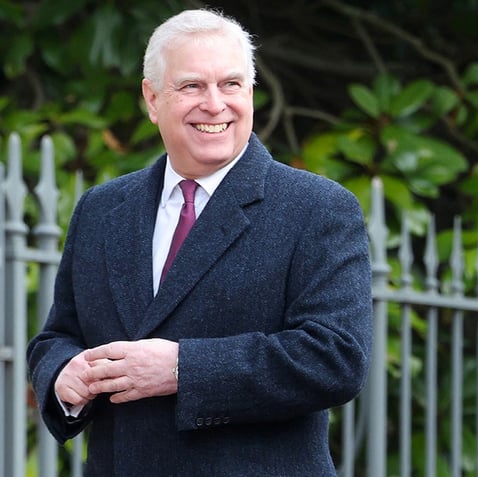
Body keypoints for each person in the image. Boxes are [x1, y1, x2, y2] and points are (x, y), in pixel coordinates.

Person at [27, 8, 372, 476]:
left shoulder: (317, 208)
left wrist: (183, 368)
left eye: (230, 84)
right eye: (192, 86)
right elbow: (58, 335)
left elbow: (336, 357)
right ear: (152, 99)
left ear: (250, 93)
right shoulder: (101, 209)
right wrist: (62, 375)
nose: (215, 104)